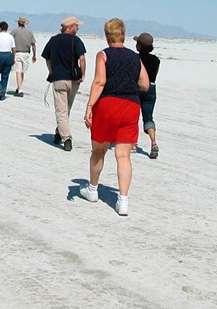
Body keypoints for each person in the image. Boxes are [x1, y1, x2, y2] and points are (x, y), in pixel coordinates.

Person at [80, 19, 150, 216]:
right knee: (123, 155)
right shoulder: (135, 58)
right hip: (131, 106)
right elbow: (145, 84)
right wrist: (128, 86)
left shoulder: (103, 55)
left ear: (106, 37)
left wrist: (89, 106)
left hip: (108, 105)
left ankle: (93, 190)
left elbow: (100, 81)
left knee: (99, 150)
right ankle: (123, 201)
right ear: (124, 36)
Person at [41, 16, 87, 151]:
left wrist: (51, 72)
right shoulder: (76, 40)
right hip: (73, 79)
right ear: (69, 27)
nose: (78, 28)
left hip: (59, 78)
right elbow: (82, 58)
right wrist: (82, 74)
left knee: (62, 110)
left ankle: (62, 135)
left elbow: (47, 59)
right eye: (76, 26)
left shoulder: (53, 40)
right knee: (66, 109)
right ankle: (65, 137)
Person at [134, 32, 161, 159]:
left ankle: (133, 144)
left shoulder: (135, 58)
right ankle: (153, 142)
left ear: (140, 45)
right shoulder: (156, 60)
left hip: (137, 87)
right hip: (151, 88)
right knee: (148, 118)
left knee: (133, 117)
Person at [9, 16, 37, 97]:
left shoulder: (14, 31)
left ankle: (20, 89)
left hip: (17, 53)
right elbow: (33, 44)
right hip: (26, 54)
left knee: (18, 71)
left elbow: (9, 40)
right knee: (22, 71)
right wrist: (34, 55)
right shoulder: (29, 32)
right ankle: (19, 87)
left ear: (18, 23)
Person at [0, 21, 17, 100]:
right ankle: (3, 92)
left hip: (0, 54)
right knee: (5, 75)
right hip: (8, 55)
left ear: (0, 28)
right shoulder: (10, 36)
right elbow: (14, 48)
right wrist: (13, 58)